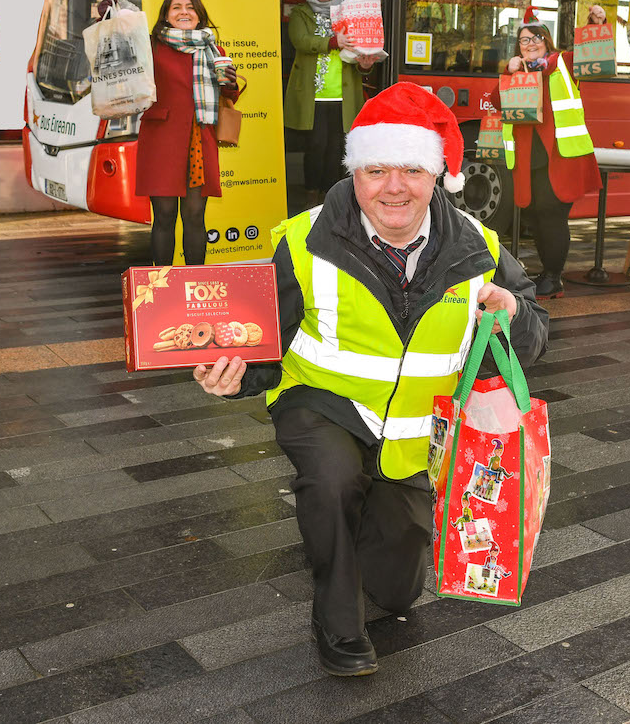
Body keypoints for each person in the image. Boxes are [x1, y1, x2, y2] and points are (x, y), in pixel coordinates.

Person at [194, 82, 548, 677]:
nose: (394, 187)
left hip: (414, 431)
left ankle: (365, 541)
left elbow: (535, 331)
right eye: (377, 169)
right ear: (355, 172)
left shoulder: (479, 246)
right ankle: (336, 624)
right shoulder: (303, 240)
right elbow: (262, 338)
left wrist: (510, 313)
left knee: (398, 590)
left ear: (435, 175)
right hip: (323, 405)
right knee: (332, 480)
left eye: (411, 169)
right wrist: (236, 376)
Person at [137, 0, 238, 266]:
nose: (184, 12)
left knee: (194, 215)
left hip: (199, 139)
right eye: (176, 8)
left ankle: (195, 282)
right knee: (164, 216)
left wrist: (230, 82)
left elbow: (228, 94)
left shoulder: (214, 49)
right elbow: (121, 56)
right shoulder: (150, 47)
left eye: (190, 7)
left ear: (199, 14)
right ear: (166, 16)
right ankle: (162, 284)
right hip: (162, 142)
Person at [502, 7, 601, 299]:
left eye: (536, 38)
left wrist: (596, 24)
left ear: (547, 42)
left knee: (551, 216)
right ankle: (547, 271)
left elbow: (592, 59)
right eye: (524, 39)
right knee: (535, 216)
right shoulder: (516, 70)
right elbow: (497, 100)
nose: (530, 43)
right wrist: (510, 73)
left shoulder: (562, 63)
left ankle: (554, 276)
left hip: (561, 157)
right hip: (529, 159)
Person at [284, 0, 383, 207]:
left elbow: (357, 51)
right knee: (315, 148)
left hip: (343, 94)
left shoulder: (350, 12)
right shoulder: (300, 13)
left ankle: (332, 199)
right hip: (314, 95)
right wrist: (332, 42)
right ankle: (311, 196)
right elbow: (301, 41)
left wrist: (365, 64)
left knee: (338, 149)